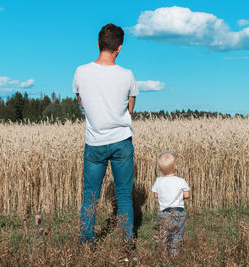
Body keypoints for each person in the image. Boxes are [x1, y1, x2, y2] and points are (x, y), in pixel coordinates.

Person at [72, 23, 139, 246]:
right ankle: (127, 243)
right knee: (123, 195)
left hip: (95, 142)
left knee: (90, 195)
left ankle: (86, 242)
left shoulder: (81, 72)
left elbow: (81, 102)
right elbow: (130, 109)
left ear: (98, 44)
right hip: (121, 142)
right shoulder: (127, 75)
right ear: (119, 48)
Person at [152, 151, 190, 256]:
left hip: (164, 212)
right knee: (177, 234)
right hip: (179, 211)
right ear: (176, 167)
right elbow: (186, 195)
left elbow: (156, 195)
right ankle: (175, 254)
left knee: (165, 235)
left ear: (160, 169)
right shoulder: (181, 181)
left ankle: (164, 254)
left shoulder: (158, 181)